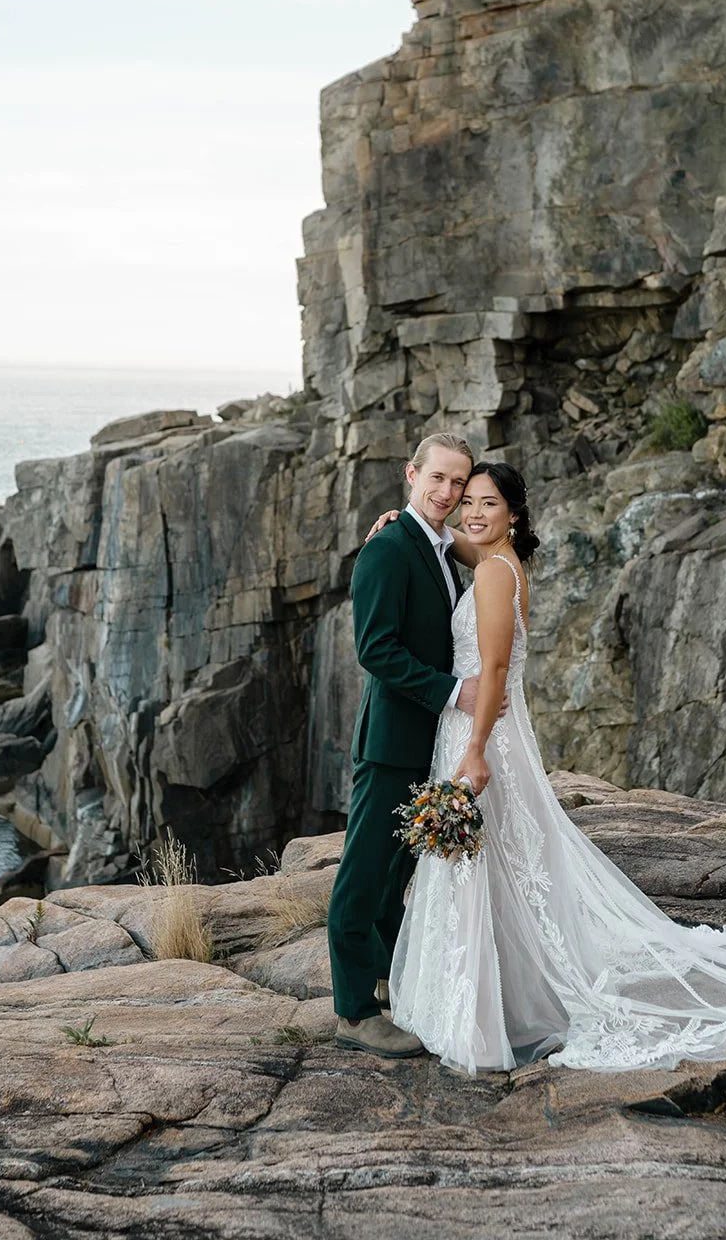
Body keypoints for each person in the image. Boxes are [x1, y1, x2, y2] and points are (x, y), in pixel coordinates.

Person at [375, 460, 726, 1077]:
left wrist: (475, 750)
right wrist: (412, 527)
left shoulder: (491, 574)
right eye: (468, 501)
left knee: (490, 863)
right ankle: (509, 994)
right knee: (508, 863)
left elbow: (491, 673)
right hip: (502, 733)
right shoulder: (505, 562)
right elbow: (458, 543)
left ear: (513, 514)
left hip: (483, 732)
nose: (472, 512)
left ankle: (487, 1008)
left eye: (489, 503)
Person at [327, 431, 480, 1058]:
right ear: (411, 475)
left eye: (458, 484)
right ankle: (354, 1012)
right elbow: (376, 651)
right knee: (362, 879)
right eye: (436, 479)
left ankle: (390, 981)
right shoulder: (388, 548)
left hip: (431, 742)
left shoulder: (443, 550)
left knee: (398, 874)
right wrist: (453, 692)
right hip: (392, 741)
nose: (447, 493)